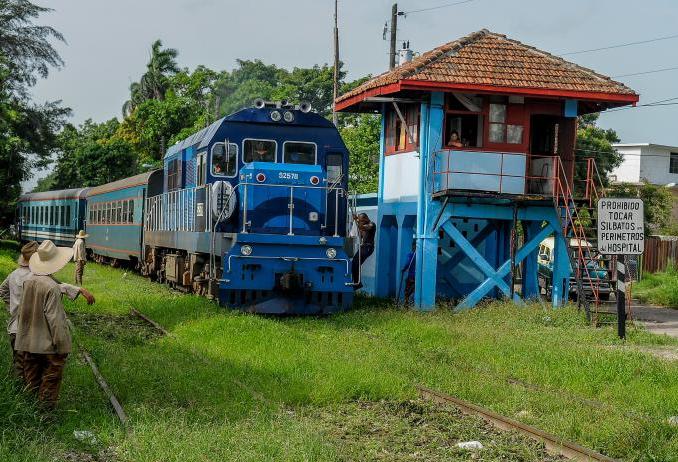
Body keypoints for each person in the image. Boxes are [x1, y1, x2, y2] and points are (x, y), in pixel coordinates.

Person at [0, 241, 93, 381]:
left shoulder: (14, 275)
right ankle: (31, 396)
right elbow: (55, 286)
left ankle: (22, 394)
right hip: (28, 330)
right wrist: (79, 289)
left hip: (15, 328)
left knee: (20, 366)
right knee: (32, 369)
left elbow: (3, 291)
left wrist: (13, 307)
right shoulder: (36, 278)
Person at [15, 240, 78, 409]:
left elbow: (23, 313)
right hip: (48, 345)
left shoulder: (28, 282)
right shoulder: (51, 287)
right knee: (50, 381)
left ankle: (30, 415)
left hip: (28, 343)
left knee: (32, 381)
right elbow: (55, 320)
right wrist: (63, 345)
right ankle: (46, 416)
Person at [351, 213, 376, 290]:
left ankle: (357, 283)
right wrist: (356, 221)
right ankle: (357, 282)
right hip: (363, 247)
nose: (360, 222)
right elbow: (360, 228)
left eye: (361, 220)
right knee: (354, 263)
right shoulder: (362, 227)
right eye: (359, 221)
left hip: (368, 247)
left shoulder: (371, 224)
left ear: (366, 219)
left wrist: (356, 220)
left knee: (356, 263)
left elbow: (364, 227)